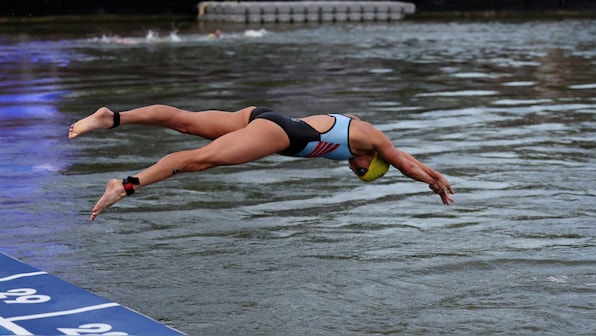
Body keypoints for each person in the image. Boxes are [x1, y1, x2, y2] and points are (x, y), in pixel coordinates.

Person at [69, 105, 454, 221]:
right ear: (371, 160)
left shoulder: (373, 145)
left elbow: (403, 157)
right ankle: (126, 185)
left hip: (262, 118)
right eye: (360, 171)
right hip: (279, 135)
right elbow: (402, 162)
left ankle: (112, 117)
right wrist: (430, 184)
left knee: (185, 124)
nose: (353, 170)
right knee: (198, 161)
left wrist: (436, 174)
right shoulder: (369, 137)